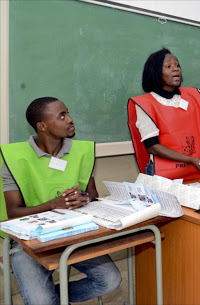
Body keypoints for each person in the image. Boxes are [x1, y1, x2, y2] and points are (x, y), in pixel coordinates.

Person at [0, 97, 121, 305]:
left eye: (68, 113)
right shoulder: (14, 158)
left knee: (110, 280)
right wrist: (51, 205)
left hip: (73, 231)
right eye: (62, 116)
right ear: (42, 126)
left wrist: (83, 199)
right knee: (41, 301)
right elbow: (13, 212)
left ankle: (53, 300)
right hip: (28, 241)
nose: (70, 119)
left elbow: (92, 193)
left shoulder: (81, 151)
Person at [128, 48, 200, 181]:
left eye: (177, 65)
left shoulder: (193, 94)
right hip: (163, 174)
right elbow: (153, 147)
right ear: (156, 72)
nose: (176, 69)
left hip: (195, 170)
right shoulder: (145, 104)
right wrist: (190, 159)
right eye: (168, 66)